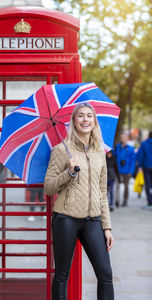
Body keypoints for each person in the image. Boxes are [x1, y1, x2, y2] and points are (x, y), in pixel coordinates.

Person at [44, 103, 114, 300]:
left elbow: (102, 191)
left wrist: (107, 227)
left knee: (106, 274)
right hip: (66, 219)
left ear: (94, 122)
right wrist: (68, 172)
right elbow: (48, 188)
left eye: (89, 116)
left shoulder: (100, 152)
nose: (85, 119)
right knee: (62, 275)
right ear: (74, 121)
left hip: (93, 220)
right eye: (80, 116)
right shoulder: (61, 150)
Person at [114, 133, 136, 207]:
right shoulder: (117, 147)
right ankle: (117, 200)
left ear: (127, 139)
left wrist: (131, 171)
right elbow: (114, 156)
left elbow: (133, 161)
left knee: (126, 186)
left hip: (127, 171)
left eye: (124, 137)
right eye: (121, 137)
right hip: (118, 170)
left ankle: (125, 200)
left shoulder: (131, 148)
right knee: (117, 185)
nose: (122, 139)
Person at [137, 131, 152, 209]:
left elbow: (140, 155)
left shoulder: (144, 143)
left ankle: (149, 203)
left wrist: (139, 166)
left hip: (146, 166)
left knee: (148, 185)